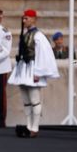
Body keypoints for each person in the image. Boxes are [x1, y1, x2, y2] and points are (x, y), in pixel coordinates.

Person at [8, 10, 59, 138]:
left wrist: (38, 72)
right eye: (23, 19)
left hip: (32, 69)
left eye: (26, 18)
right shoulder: (25, 34)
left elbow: (43, 55)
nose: (24, 21)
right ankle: (29, 125)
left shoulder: (38, 36)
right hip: (23, 69)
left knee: (34, 99)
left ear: (33, 19)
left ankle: (34, 127)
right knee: (26, 100)